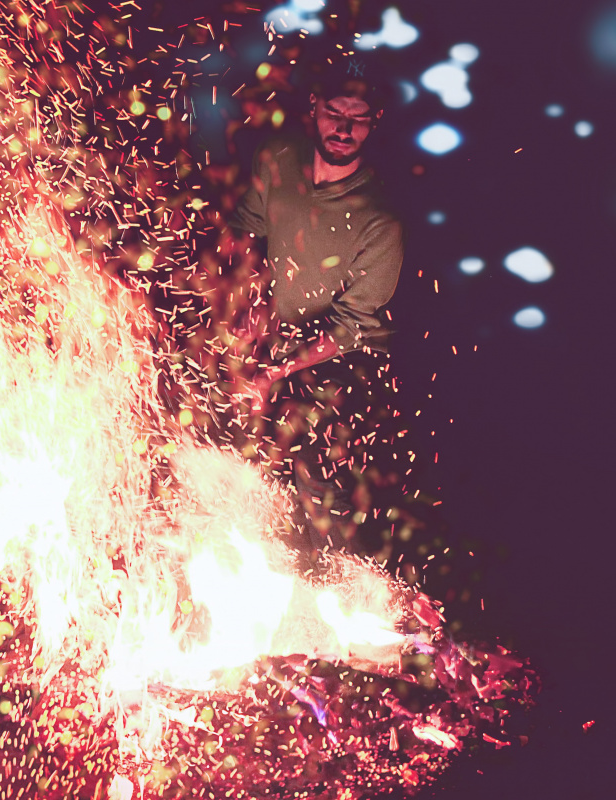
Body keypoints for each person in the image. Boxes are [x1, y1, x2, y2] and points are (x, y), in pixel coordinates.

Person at [227, 55, 405, 557]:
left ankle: (335, 578)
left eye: (357, 119)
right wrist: (249, 303)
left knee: (316, 458)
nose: (343, 129)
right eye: (334, 113)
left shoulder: (380, 221)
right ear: (315, 107)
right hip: (279, 331)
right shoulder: (278, 158)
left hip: (346, 358)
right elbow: (247, 230)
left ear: (373, 123)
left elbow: (352, 327)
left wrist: (273, 371)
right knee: (222, 415)